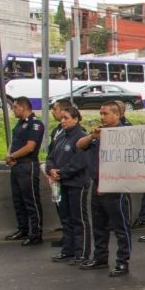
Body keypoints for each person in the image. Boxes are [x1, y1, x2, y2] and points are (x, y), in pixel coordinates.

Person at [75, 101, 133, 277]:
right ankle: (100, 257)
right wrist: (93, 136)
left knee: (120, 227)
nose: (102, 117)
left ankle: (123, 261)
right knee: (99, 224)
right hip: (97, 182)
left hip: (116, 186)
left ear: (117, 115)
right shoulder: (99, 132)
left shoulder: (125, 133)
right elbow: (80, 145)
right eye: (101, 113)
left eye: (106, 114)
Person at [45, 106, 90, 264]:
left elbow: (80, 162)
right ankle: (68, 250)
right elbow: (50, 156)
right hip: (60, 183)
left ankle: (81, 252)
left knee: (78, 219)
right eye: (61, 118)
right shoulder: (61, 136)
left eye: (66, 118)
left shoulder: (81, 137)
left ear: (76, 119)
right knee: (65, 218)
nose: (62, 121)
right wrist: (50, 169)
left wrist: (62, 172)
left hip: (76, 183)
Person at [4, 97, 45, 246]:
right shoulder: (20, 124)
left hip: (28, 165)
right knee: (18, 200)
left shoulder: (35, 125)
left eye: (15, 107)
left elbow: (30, 147)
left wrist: (12, 155)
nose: (13, 110)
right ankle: (23, 229)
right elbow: (14, 142)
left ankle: (36, 233)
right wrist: (10, 155)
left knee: (31, 200)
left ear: (23, 107)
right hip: (16, 165)